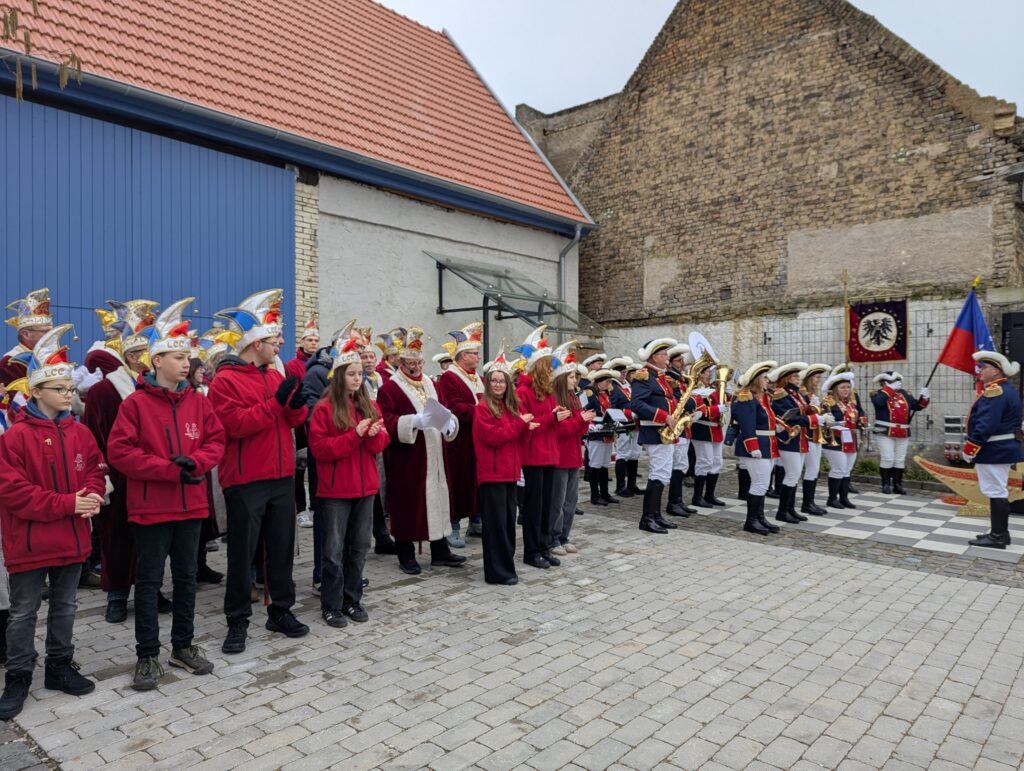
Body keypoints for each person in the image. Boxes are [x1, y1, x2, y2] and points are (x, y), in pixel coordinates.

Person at [107, 299, 226, 690]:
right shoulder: (135, 404)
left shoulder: (198, 400)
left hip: (191, 505)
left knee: (188, 579)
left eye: (187, 357)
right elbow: (120, 453)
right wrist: (167, 469)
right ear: (156, 361)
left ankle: (183, 645)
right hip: (151, 508)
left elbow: (216, 440)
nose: (185, 364)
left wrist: (195, 464)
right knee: (149, 580)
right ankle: (147, 655)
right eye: (177, 357)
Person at [0, 324, 104, 719]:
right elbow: (13, 492)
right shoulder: (14, 438)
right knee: (24, 611)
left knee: (66, 605)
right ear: (37, 391)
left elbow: (95, 468)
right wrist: (68, 504)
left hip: (72, 538)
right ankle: (19, 675)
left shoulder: (80, 433)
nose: (68, 394)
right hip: (28, 541)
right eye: (60, 389)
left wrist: (92, 495)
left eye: (69, 388)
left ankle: (60, 666)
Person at [208, 289, 310, 654]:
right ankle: (237, 621)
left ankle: (280, 610)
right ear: (255, 343)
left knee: (281, 549)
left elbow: (288, 420)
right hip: (246, 481)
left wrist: (296, 408)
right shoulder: (225, 381)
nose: (280, 342)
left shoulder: (271, 375)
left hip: (281, 476)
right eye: (274, 338)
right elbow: (234, 426)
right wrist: (277, 403)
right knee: (242, 554)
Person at [82, 299, 174, 623]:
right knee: (117, 538)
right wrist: (102, 478)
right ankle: (117, 594)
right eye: (145, 355)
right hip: (119, 479)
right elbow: (93, 439)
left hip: (152, 477)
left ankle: (152, 589)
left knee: (153, 540)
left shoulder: (158, 390)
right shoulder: (103, 392)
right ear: (132, 357)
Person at [308, 340, 389, 626]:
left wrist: (373, 434)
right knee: (333, 552)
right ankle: (331, 604)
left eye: (360, 374)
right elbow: (320, 450)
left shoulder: (369, 404)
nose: (358, 378)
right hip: (335, 492)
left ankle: (352, 600)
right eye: (352, 373)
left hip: (365, 489)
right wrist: (355, 435)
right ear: (340, 375)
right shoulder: (324, 408)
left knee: (359, 548)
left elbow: (382, 442)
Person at [377, 326, 465, 574]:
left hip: (435, 451)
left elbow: (444, 408)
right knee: (408, 502)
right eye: (410, 363)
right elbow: (387, 420)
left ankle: (440, 550)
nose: (416, 367)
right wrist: (413, 422)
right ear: (400, 363)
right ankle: (405, 553)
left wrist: (450, 423)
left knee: (437, 497)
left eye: (419, 362)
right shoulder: (390, 388)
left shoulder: (429, 382)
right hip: (408, 456)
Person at [474, 350, 535, 584]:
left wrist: (526, 429)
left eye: (502, 381)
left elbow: (515, 439)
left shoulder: (511, 407)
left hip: (510, 473)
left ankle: (506, 566)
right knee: (496, 525)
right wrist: (520, 425)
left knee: (508, 522)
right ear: (488, 383)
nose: (498, 384)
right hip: (492, 474)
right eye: (494, 381)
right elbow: (493, 437)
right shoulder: (483, 408)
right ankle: (497, 571)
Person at [514, 326, 568, 568]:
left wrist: (559, 416)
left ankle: (544, 546)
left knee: (547, 506)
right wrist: (553, 419)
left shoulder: (548, 392)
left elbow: (548, 425)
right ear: (538, 368)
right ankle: (531, 551)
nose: (551, 369)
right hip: (533, 456)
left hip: (550, 455)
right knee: (534, 508)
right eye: (547, 365)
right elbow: (527, 426)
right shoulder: (523, 392)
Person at [961, 351, 1023, 549]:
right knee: (996, 490)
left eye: (984, 367)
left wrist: (970, 447)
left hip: (994, 449)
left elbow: (986, 424)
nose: (980, 370)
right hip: (1001, 448)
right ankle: (999, 533)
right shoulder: (1006, 389)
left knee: (996, 491)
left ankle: (998, 536)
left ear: (995, 371)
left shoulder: (995, 391)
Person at [435, 322, 485, 548]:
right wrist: (483, 411)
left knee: (476, 480)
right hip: (458, 440)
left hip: (477, 438)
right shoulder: (450, 378)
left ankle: (476, 520)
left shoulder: (476, 376)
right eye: (473, 354)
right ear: (462, 356)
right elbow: (452, 407)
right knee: (459, 482)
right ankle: (453, 525)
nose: (477, 357)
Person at [630, 338, 686, 533]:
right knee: (658, 473)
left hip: (665, 432)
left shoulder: (660, 376)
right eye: (664, 354)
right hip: (654, 431)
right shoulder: (644, 376)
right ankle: (647, 518)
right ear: (654, 357)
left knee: (663, 474)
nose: (667, 357)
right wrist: (664, 416)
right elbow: (636, 404)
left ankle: (656, 515)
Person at [769, 362, 832, 524]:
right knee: (792, 474)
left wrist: (815, 410)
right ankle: (782, 511)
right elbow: (789, 418)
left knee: (795, 475)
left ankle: (790, 509)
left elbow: (802, 412)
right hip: (789, 440)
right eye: (795, 376)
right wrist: (815, 418)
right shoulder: (781, 394)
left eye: (798, 375)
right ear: (786, 378)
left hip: (800, 439)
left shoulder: (797, 395)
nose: (799, 378)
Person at [550, 345, 593, 555]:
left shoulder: (574, 397)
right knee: (557, 501)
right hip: (560, 457)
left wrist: (584, 420)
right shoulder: (556, 399)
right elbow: (559, 430)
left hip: (574, 455)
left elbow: (578, 428)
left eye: (575, 377)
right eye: (571, 377)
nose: (575, 381)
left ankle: (565, 535)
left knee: (570, 500)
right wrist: (580, 420)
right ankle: (554, 538)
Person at [733, 360, 782, 536]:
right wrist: (753, 446)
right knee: (760, 483)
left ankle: (759, 517)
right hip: (755, 445)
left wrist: (775, 427)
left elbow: (765, 420)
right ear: (755, 379)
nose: (767, 380)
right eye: (764, 377)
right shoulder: (746, 397)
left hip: (767, 444)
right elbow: (747, 425)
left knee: (763, 483)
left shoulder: (763, 398)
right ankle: (751, 521)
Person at [286, 316, 320, 529]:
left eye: (316, 341)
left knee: (316, 467)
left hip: (317, 420)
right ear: (302, 342)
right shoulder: (292, 365)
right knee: (298, 467)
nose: (313, 344)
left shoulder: (320, 363)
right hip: (300, 422)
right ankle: (300, 508)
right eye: (309, 340)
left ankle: (315, 506)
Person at [871, 371, 929, 494]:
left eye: (897, 381)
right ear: (885, 383)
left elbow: (917, 406)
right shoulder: (878, 394)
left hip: (902, 430)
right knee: (888, 458)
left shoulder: (905, 394)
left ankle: (898, 485)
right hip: (885, 431)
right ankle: (886, 484)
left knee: (899, 459)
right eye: (893, 381)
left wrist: (924, 397)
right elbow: (878, 403)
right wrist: (889, 389)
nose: (897, 383)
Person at [686, 354, 729, 509]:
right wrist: (718, 408)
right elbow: (699, 410)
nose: (708, 375)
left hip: (715, 430)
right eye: (706, 372)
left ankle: (709, 495)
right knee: (704, 462)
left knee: (717, 462)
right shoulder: (695, 390)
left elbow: (722, 403)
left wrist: (726, 397)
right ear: (699, 374)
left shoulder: (712, 390)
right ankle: (697, 497)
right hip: (702, 429)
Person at [664, 343, 698, 516]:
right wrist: (692, 403)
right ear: (670, 363)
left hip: (684, 427)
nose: (682, 363)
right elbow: (682, 401)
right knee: (678, 465)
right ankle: (673, 502)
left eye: (682, 359)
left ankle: (678, 500)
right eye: (678, 360)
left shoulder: (682, 378)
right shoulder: (671, 379)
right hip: (676, 427)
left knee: (682, 464)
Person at [0, 288, 53, 388]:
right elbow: (15, 401)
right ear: (25, 334)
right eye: (45, 331)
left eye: (52, 331)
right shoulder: (11, 363)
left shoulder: (51, 356)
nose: (51, 335)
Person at [583, 368, 620, 508]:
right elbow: (585, 411)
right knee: (595, 464)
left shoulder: (606, 393)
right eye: (606, 381)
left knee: (604, 463)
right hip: (595, 430)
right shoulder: (590, 392)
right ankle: (595, 495)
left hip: (606, 430)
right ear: (598, 381)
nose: (609, 384)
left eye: (610, 381)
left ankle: (605, 493)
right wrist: (591, 424)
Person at [822, 371, 859, 509]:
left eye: (848, 387)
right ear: (835, 389)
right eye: (842, 387)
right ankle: (832, 499)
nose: (846, 390)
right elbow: (826, 421)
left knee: (847, 469)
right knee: (838, 469)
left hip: (850, 440)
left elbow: (856, 418)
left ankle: (844, 498)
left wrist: (861, 423)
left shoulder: (850, 404)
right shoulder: (828, 403)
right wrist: (839, 427)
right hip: (834, 440)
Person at [798, 363, 831, 515]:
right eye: (816, 377)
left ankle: (810, 502)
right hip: (808, 435)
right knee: (810, 469)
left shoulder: (816, 395)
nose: (818, 380)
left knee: (815, 469)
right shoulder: (803, 394)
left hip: (817, 435)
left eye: (819, 377)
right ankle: (806, 503)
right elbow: (802, 416)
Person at [607, 357, 642, 498]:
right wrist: (629, 413)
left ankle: (632, 485)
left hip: (635, 424)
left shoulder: (628, 385)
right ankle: (620, 487)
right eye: (621, 372)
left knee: (635, 454)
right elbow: (612, 408)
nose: (623, 374)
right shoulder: (613, 387)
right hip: (623, 424)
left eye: (625, 372)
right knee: (622, 454)